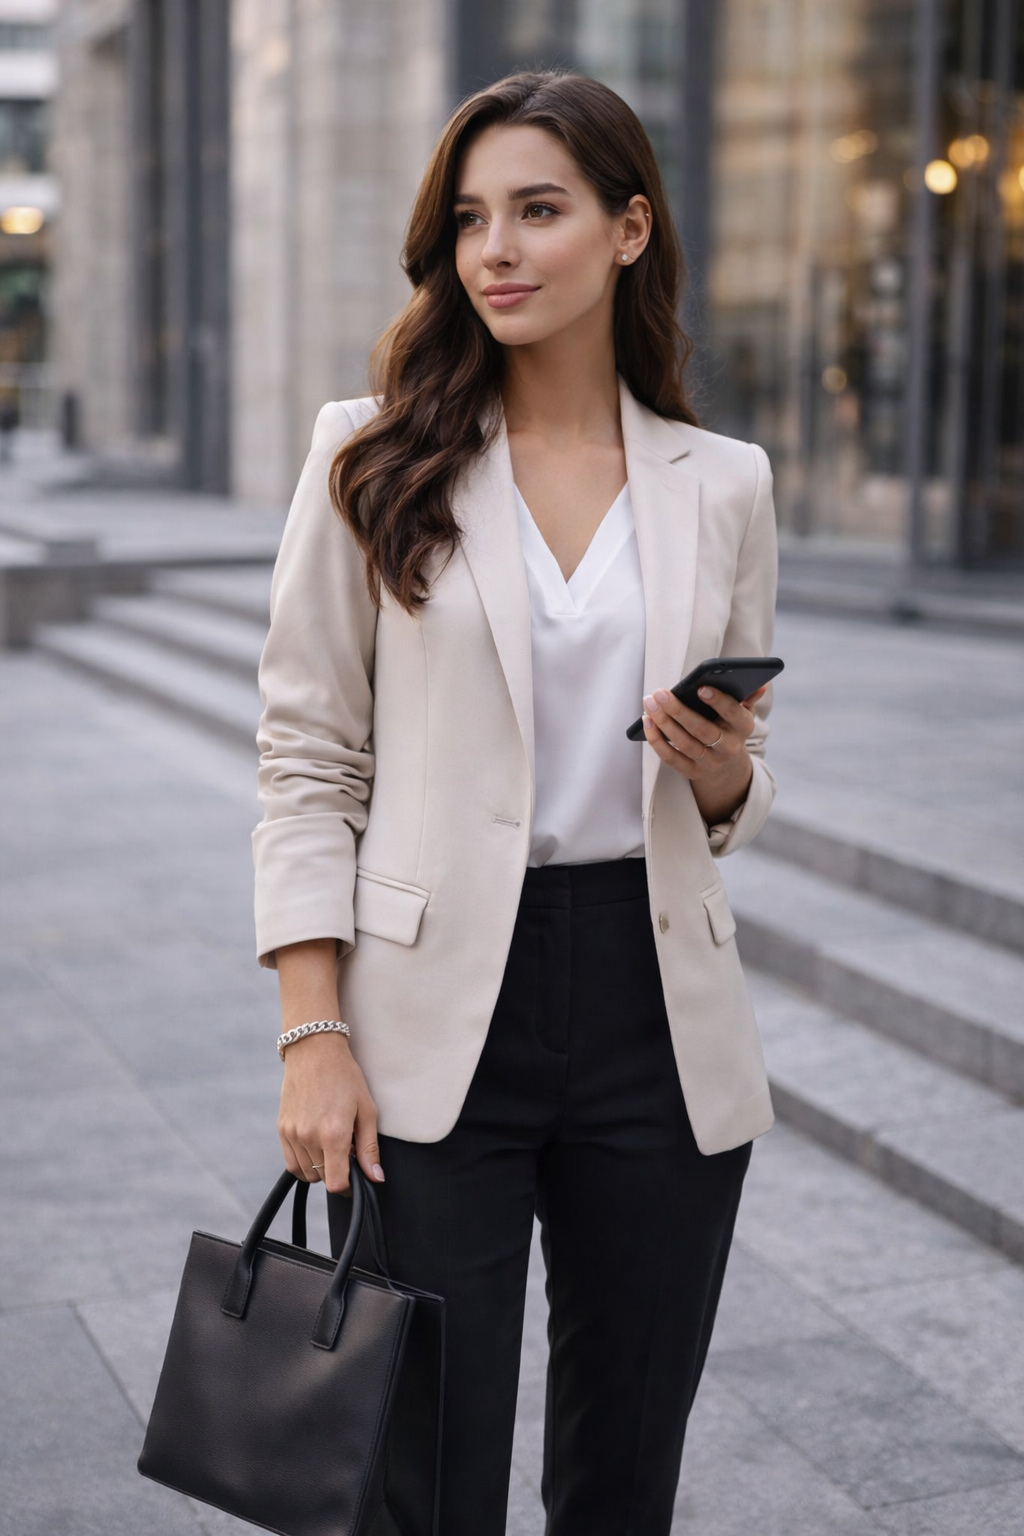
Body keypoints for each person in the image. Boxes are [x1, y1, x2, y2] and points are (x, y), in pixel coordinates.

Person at [253, 68, 778, 1536]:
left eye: (538, 210)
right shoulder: (370, 452)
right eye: (472, 218)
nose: (496, 248)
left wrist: (723, 766)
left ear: (628, 229)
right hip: (429, 1008)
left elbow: (736, 783)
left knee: (626, 1473)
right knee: (422, 1467)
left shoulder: (721, 481)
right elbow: (306, 757)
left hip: (655, 1007)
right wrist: (313, 1030)